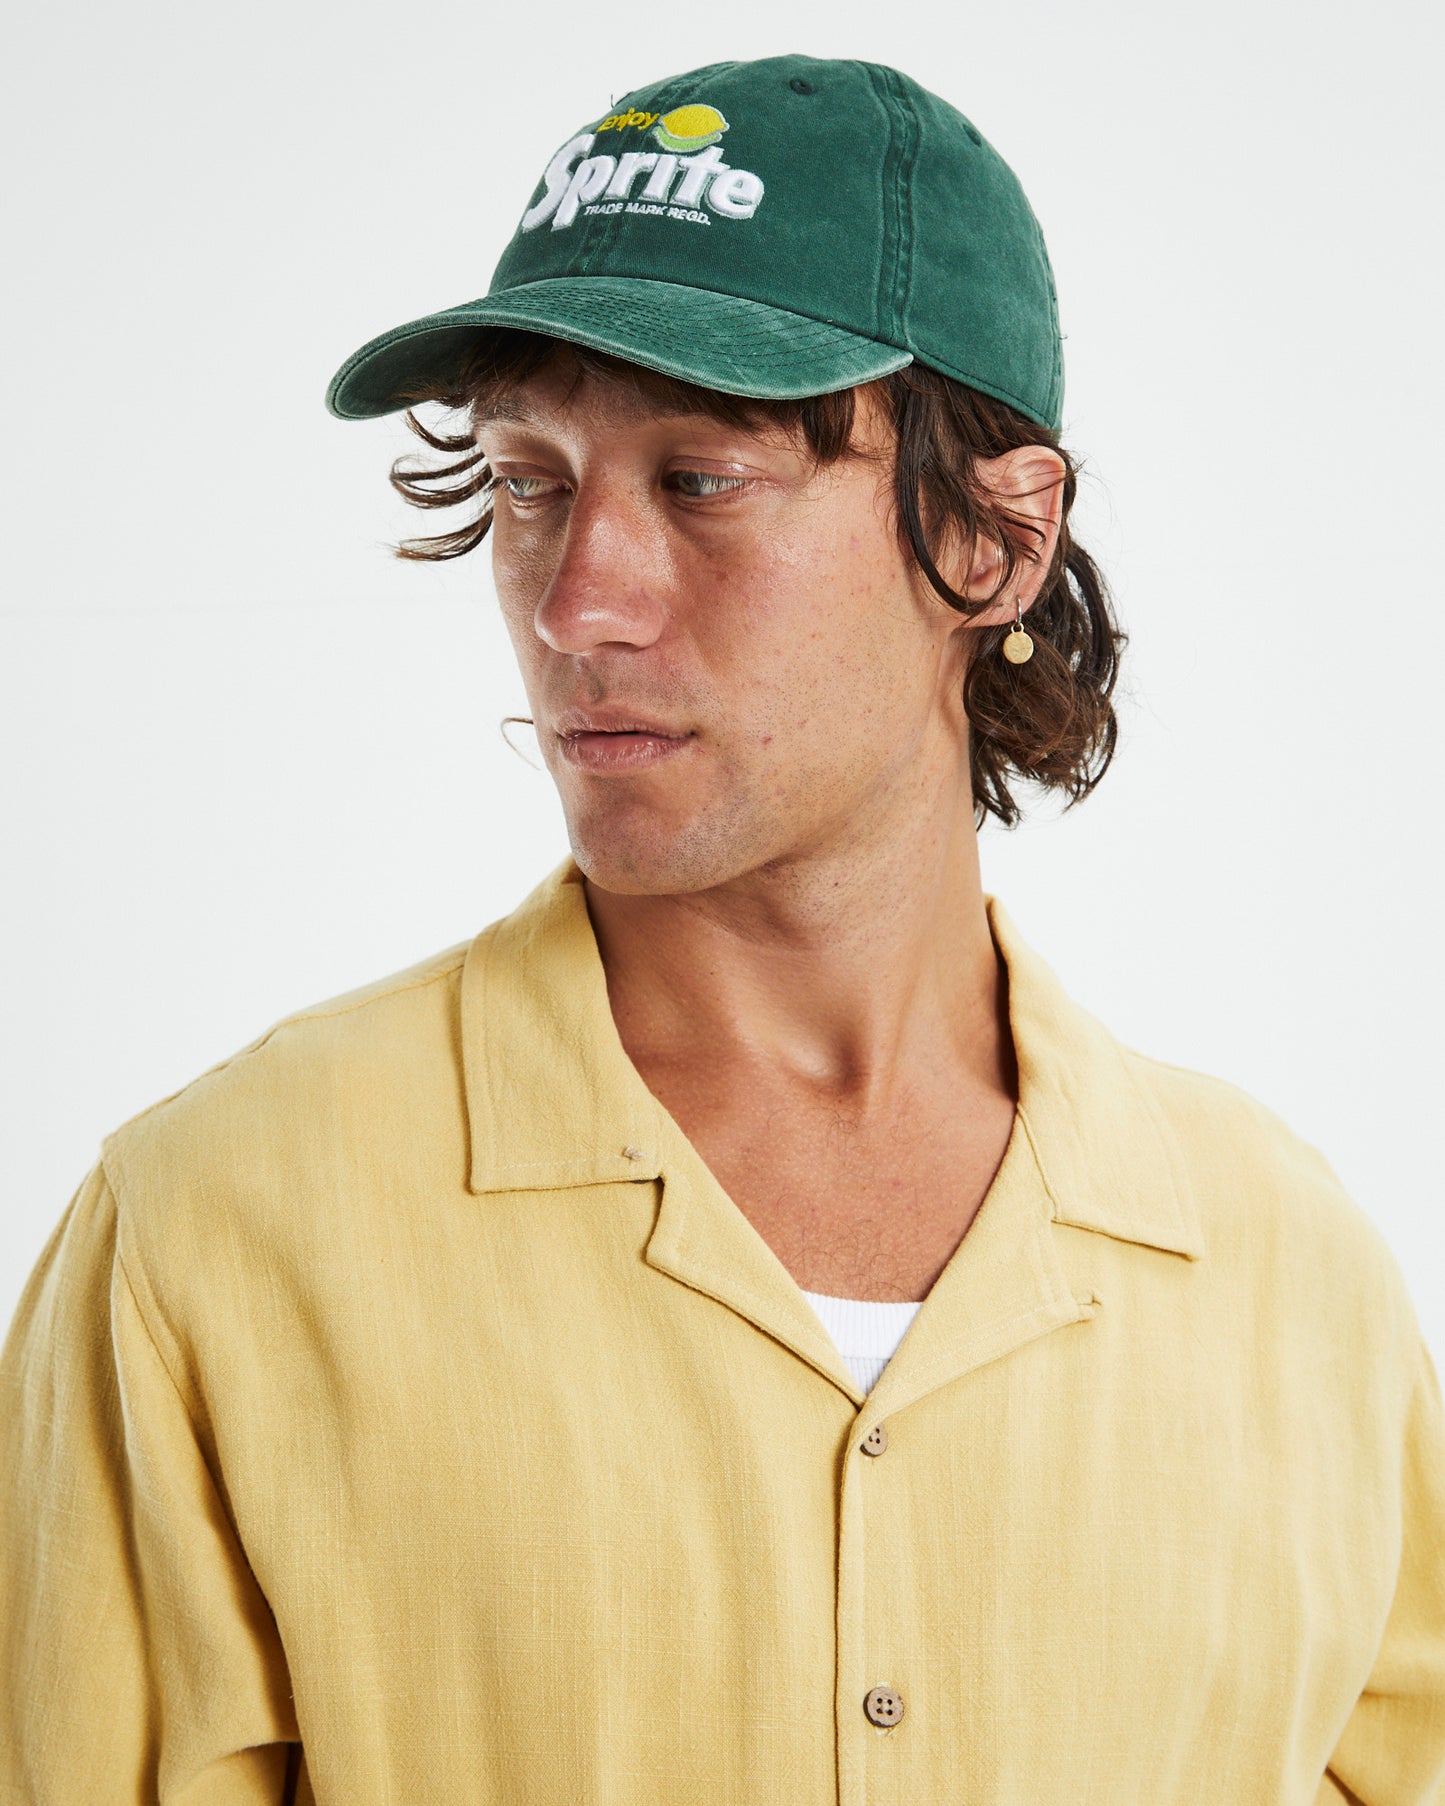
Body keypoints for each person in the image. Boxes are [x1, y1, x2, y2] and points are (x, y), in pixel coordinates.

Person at [3, 50, 1442, 1806]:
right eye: (532, 480)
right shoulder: (216, 1233)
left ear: (995, 538)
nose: (576, 603)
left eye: (699, 480)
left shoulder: (1290, 1280)